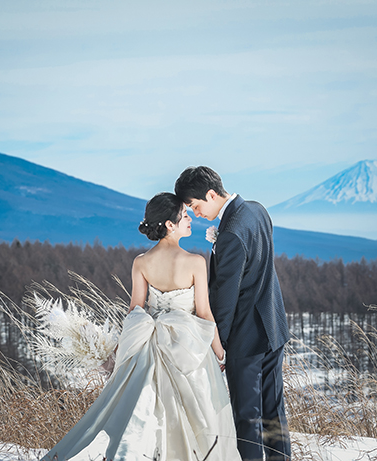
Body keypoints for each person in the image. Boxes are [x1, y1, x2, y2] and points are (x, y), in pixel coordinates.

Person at [42, 192, 242, 461]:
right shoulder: (196, 262)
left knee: (143, 412)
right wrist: (219, 352)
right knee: (197, 413)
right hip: (188, 348)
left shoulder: (141, 262)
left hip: (148, 345)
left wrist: (123, 349)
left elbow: (136, 309)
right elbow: (205, 313)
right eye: (184, 216)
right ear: (170, 225)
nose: (189, 220)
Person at [175, 166, 292, 461]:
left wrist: (219, 346)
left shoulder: (229, 233)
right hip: (272, 327)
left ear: (212, 194)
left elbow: (225, 300)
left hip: (245, 337)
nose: (197, 214)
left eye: (196, 205)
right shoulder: (257, 210)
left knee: (247, 419)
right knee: (273, 412)